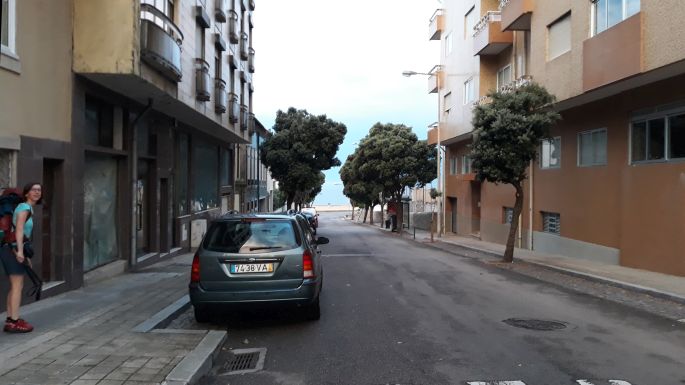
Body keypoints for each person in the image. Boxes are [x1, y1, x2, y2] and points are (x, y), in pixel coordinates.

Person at [1, 182, 42, 333]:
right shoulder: (24, 208)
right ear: (26, 193)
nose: (37, 192)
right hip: (12, 249)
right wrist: (19, 251)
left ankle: (11, 319)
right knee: (18, 285)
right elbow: (18, 230)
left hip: (10, 248)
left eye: (39, 190)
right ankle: (14, 321)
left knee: (15, 285)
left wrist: (25, 254)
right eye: (33, 190)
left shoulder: (25, 208)